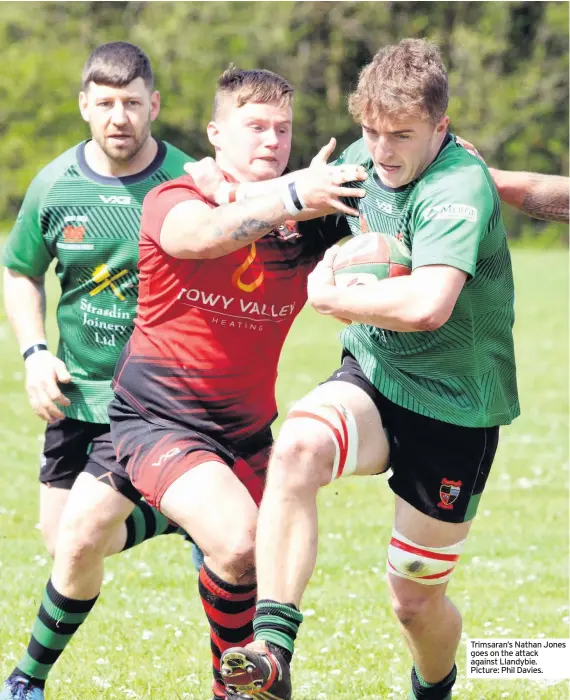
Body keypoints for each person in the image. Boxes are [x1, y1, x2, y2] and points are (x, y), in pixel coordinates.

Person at [219, 39, 521, 700]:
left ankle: (435, 689)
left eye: (402, 136)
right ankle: (272, 650)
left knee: (413, 602)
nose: (382, 152)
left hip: (456, 410)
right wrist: (271, 200)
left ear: (442, 127)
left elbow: (428, 303)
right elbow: (305, 224)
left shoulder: (456, 185)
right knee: (297, 445)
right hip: (375, 379)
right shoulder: (366, 159)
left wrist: (337, 298)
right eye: (371, 132)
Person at [107, 65, 367, 699]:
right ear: (215, 134)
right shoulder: (175, 198)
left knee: (267, 572)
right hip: (157, 419)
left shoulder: (308, 217)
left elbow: (391, 185)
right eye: (254, 127)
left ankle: (255, 682)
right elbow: (198, 239)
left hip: (248, 432)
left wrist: (449, 160)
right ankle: (239, 692)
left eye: (282, 129)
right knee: (235, 541)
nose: (271, 140)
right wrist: (290, 195)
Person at [1, 42, 197, 700]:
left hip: (153, 398)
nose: (120, 117)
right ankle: (178, 516)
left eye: (133, 103)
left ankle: (27, 681)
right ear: (85, 105)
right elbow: (20, 269)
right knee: (65, 544)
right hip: (73, 397)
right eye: (106, 103)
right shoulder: (56, 185)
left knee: (83, 539)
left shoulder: (187, 183)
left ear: (155, 106)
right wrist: (34, 353)